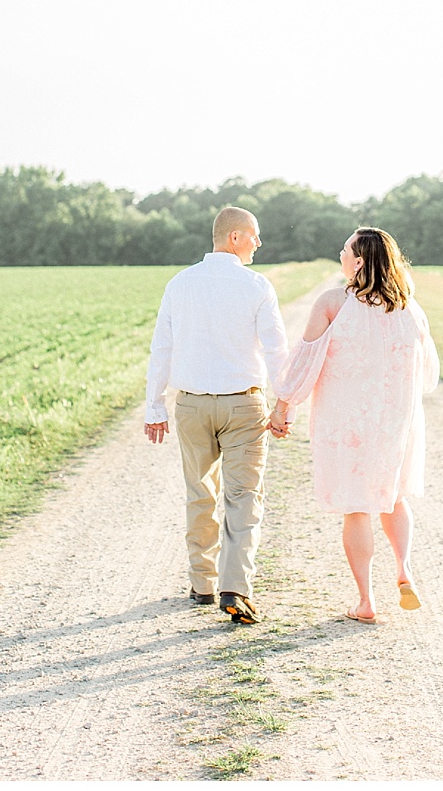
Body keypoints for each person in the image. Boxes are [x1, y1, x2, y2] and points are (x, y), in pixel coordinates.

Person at [267, 226, 440, 625]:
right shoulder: (409, 307)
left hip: (347, 423)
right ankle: (404, 568)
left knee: (357, 506)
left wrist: (283, 408)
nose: (341, 254)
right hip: (396, 420)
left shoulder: (334, 302)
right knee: (394, 497)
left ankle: (366, 601)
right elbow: (428, 373)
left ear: (358, 261)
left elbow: (305, 361)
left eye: (345, 250)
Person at [143, 206, 289, 625]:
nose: (259, 243)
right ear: (234, 237)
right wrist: (284, 403)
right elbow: (276, 350)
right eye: (254, 235)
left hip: (191, 405)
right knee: (244, 497)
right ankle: (235, 587)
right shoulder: (257, 286)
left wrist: (156, 405)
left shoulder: (180, 284)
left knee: (200, 493)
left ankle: (202, 584)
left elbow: (162, 348)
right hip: (244, 406)